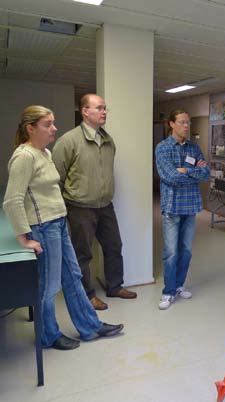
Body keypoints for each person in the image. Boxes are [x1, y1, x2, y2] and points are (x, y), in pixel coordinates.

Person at [2, 106, 124, 350]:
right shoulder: (24, 156)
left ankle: (90, 326)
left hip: (58, 223)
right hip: (43, 227)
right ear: (30, 128)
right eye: (48, 124)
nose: (54, 128)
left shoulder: (44, 153)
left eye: (53, 123)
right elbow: (12, 200)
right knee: (49, 285)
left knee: (73, 277)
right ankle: (48, 335)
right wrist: (24, 238)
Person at [52, 94, 136, 311]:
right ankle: (86, 296)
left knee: (114, 246)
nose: (104, 112)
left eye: (105, 108)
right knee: (83, 253)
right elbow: (56, 178)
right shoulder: (69, 141)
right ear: (85, 112)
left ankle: (115, 286)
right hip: (80, 207)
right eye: (99, 108)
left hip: (105, 205)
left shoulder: (108, 141)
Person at [155, 109, 209, 310]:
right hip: (172, 206)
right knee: (171, 252)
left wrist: (186, 170)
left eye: (188, 122)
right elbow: (169, 177)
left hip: (191, 206)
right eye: (182, 122)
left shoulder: (194, 149)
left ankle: (178, 285)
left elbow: (205, 174)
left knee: (185, 250)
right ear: (171, 124)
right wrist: (193, 173)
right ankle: (168, 292)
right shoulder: (162, 148)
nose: (186, 126)